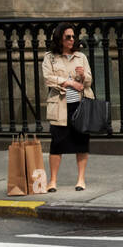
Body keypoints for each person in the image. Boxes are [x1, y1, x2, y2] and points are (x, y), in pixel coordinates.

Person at [42, 22, 93, 191]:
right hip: (60, 105)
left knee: (81, 142)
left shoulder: (81, 57)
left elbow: (89, 81)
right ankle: (53, 181)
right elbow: (48, 78)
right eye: (68, 37)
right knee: (57, 143)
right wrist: (70, 82)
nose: (72, 40)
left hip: (79, 104)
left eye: (73, 37)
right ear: (59, 38)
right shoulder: (50, 57)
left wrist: (82, 76)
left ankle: (80, 180)